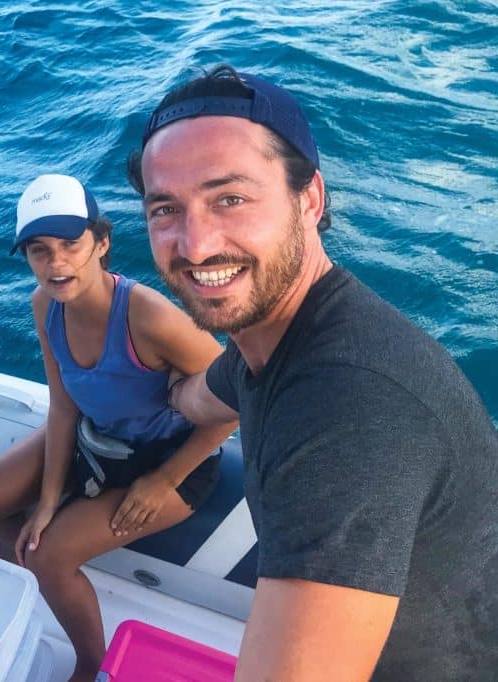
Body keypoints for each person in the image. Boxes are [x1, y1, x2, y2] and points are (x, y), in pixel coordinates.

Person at [127, 64, 498, 680]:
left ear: (310, 200)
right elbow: (207, 393)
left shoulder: (352, 412)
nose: (194, 245)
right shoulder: (274, 345)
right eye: (166, 208)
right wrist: (153, 392)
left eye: (230, 199)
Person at [0, 173, 236, 682]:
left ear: (102, 242)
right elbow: (64, 406)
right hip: (97, 441)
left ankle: (90, 665)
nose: (56, 262)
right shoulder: (45, 305)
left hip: (170, 463)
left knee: (53, 558)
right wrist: (46, 500)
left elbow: (234, 400)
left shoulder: (149, 317)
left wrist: (164, 481)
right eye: (39, 250)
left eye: (71, 244)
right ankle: (18, 558)